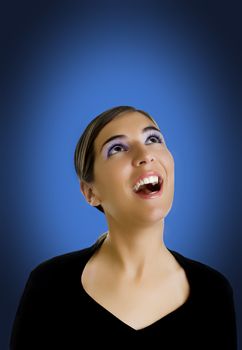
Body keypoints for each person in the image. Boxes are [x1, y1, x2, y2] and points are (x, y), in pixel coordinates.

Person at [10, 106, 237, 349]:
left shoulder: (214, 291)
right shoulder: (48, 286)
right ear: (90, 192)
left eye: (152, 139)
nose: (145, 154)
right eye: (117, 148)